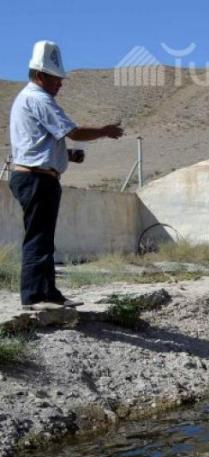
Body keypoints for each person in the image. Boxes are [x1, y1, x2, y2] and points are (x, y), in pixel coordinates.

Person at [8, 41, 124, 310]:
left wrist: (67, 155)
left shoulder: (28, 99)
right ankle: (35, 296)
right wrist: (105, 131)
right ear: (40, 75)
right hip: (37, 179)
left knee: (43, 237)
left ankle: (48, 292)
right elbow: (73, 132)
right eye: (55, 78)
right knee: (39, 238)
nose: (60, 83)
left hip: (36, 176)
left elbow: (36, 143)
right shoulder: (39, 99)